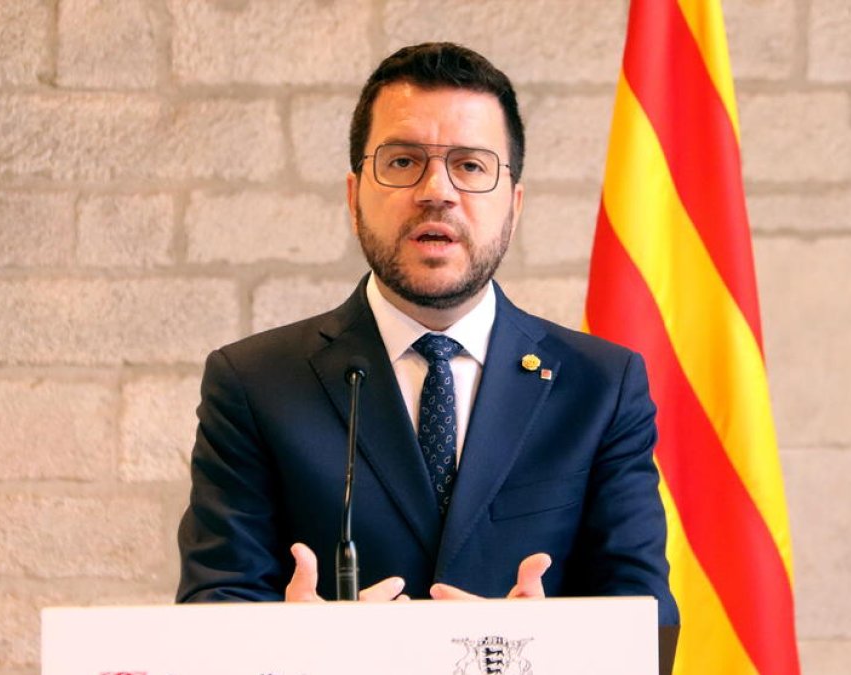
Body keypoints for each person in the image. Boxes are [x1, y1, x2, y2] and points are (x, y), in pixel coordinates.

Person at [176, 41, 679, 639]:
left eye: (470, 165)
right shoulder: (255, 383)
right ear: (353, 194)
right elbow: (213, 606)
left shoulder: (601, 386)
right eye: (402, 161)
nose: (436, 191)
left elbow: (646, 621)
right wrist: (299, 648)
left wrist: (538, 651)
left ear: (513, 205)